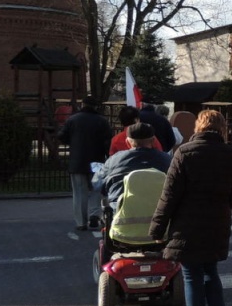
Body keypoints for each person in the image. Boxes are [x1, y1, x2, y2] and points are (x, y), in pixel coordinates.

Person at [150, 111, 232, 306]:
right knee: (211, 273)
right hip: (217, 223)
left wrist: (157, 228)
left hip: (187, 224)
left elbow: (169, 195)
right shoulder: (231, 154)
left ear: (199, 127)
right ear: (222, 128)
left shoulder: (184, 153)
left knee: (192, 276)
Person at [58, 96, 112, 231]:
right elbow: (108, 143)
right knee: (96, 189)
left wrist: (73, 143)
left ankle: (81, 222)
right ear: (96, 106)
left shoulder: (73, 119)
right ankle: (95, 215)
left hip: (77, 160)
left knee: (79, 192)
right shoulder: (102, 121)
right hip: (97, 160)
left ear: (83, 104)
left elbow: (62, 136)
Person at [93, 122, 172, 209]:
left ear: (127, 142)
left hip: (122, 215)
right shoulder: (167, 160)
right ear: (153, 141)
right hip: (158, 214)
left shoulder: (115, 160)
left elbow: (96, 183)